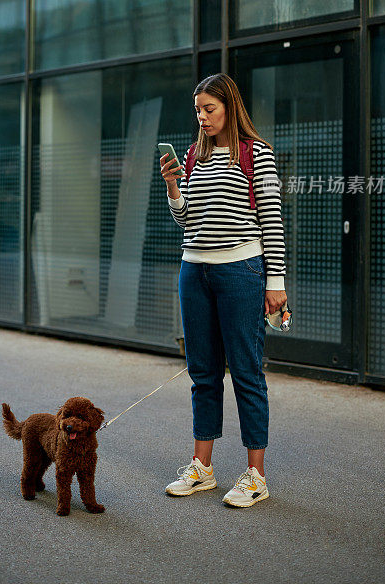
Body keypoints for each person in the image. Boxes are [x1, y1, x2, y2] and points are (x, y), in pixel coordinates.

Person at [160, 73, 287, 508]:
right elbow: (186, 219)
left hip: (241, 271)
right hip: (194, 270)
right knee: (203, 373)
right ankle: (203, 468)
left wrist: (276, 283)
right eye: (197, 110)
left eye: (209, 109)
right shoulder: (193, 155)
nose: (202, 117)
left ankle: (256, 475)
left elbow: (271, 219)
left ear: (229, 107)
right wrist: (175, 187)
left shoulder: (258, 154)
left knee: (247, 372)